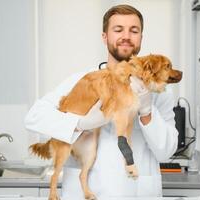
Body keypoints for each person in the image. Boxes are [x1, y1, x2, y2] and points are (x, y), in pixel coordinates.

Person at [25, 4, 178, 198]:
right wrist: (80, 123)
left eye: (134, 30)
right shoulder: (83, 81)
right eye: (118, 29)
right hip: (88, 191)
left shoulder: (160, 93)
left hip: (136, 192)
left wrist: (147, 111)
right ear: (105, 37)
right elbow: (33, 117)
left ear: (141, 38)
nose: (126, 36)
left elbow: (167, 152)